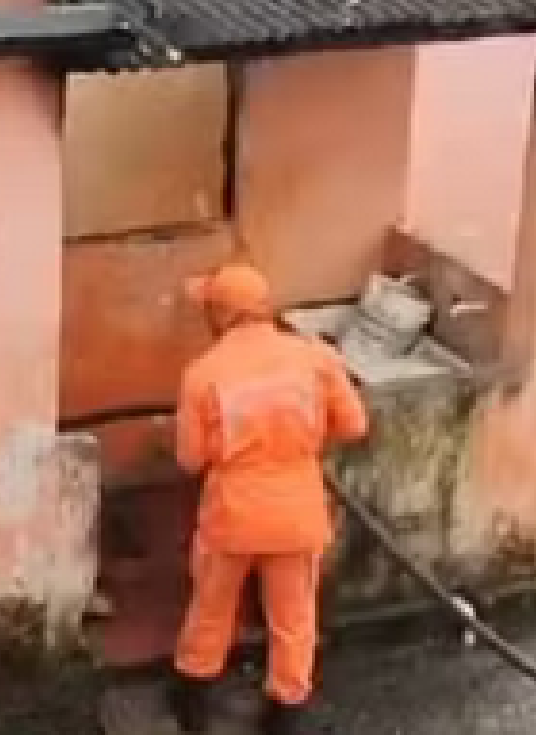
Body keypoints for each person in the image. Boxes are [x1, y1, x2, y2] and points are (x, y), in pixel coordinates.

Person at [167, 263, 369, 735]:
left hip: (232, 514)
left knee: (211, 609)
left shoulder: (203, 374)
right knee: (294, 618)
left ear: (219, 315)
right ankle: (283, 715)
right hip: (297, 512)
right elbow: (355, 425)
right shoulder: (315, 359)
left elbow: (189, 460)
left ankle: (193, 704)